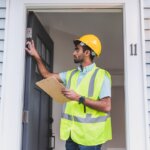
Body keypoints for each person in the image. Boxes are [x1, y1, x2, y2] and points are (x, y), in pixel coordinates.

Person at [25, 34, 112, 150]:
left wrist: (79, 98)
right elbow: (46, 75)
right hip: (72, 134)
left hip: (90, 138)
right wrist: (36, 55)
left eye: (77, 49)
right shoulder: (71, 74)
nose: (73, 53)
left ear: (87, 53)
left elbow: (106, 106)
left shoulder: (102, 76)